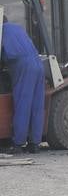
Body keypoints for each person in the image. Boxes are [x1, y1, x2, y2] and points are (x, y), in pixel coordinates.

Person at [1, 14, 46, 155]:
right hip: (38, 64)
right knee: (36, 105)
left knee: (23, 103)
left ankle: (19, 144)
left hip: (23, 66)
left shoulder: (1, 32)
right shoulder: (18, 28)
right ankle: (34, 144)